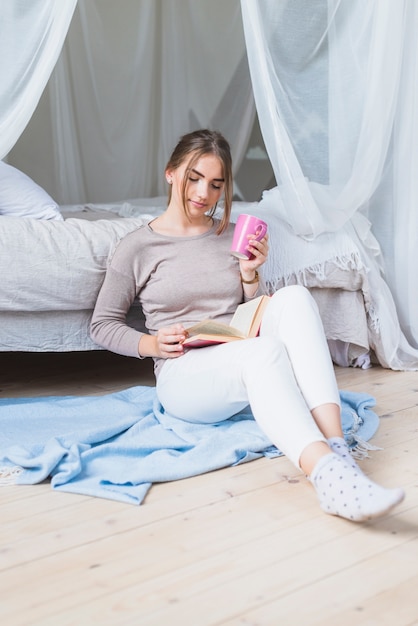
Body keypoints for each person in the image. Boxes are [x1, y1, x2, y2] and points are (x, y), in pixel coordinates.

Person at [90, 128, 404, 522]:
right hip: (183, 373)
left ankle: (337, 447)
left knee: (293, 297)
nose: (204, 193)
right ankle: (328, 478)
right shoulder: (137, 247)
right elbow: (102, 324)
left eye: (216, 184)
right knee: (264, 352)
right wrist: (152, 344)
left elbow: (248, 312)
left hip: (237, 348)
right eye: (194, 178)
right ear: (171, 173)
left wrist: (250, 275)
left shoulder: (229, 235)